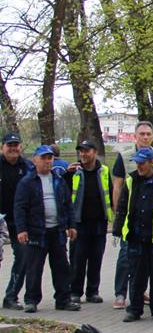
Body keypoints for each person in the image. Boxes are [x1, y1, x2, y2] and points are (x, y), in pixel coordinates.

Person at [114, 147, 153, 322]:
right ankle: (135, 310)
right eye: (137, 163)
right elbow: (122, 207)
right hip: (136, 236)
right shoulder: (130, 182)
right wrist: (117, 231)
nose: (139, 166)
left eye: (142, 163)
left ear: (151, 163)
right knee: (136, 276)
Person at [14, 145, 79, 313]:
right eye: (43, 158)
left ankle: (63, 300)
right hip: (36, 232)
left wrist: (71, 225)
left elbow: (68, 204)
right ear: (35, 160)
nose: (47, 161)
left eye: (50, 158)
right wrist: (21, 229)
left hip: (57, 231)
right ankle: (31, 300)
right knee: (34, 268)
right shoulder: (27, 182)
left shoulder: (58, 180)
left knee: (61, 267)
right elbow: (20, 207)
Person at [110, 121, 153, 310]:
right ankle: (120, 293)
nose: (145, 137)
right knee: (125, 255)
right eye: (142, 134)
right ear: (135, 136)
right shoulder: (125, 156)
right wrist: (118, 214)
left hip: (150, 217)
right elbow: (117, 185)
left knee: (144, 258)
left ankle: (138, 291)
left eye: (148, 134)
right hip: (130, 215)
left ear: (152, 137)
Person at [66, 139, 112, 304]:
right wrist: (67, 175)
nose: (83, 154)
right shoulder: (74, 171)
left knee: (96, 258)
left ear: (95, 152)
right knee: (77, 259)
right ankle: (75, 291)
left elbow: (110, 192)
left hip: (99, 222)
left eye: (86, 151)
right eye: (81, 151)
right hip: (79, 223)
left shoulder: (104, 170)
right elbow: (65, 195)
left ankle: (93, 291)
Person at [1, 132, 31, 311]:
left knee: (23, 256)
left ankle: (11, 296)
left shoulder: (27, 167)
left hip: (20, 222)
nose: (13, 148)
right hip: (0, 221)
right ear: (2, 147)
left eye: (16, 145)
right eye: (9, 145)